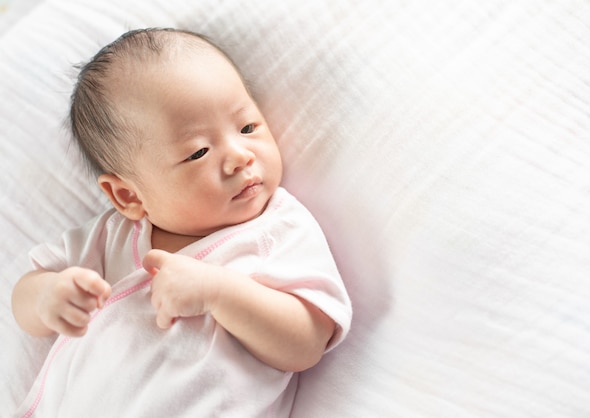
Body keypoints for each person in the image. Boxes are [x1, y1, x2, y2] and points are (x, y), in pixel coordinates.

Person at [11, 28, 351, 416]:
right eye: (199, 152)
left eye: (247, 128)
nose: (239, 156)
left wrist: (218, 293)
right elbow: (23, 299)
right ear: (129, 196)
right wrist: (47, 296)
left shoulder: (275, 230)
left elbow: (306, 343)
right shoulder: (111, 237)